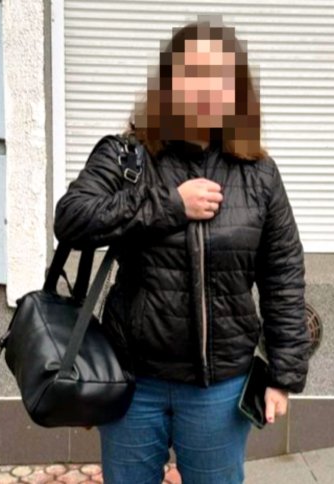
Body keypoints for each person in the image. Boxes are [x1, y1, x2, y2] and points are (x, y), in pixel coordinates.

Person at [53, 15, 311, 484]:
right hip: (132, 381)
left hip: (219, 388)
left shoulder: (258, 174)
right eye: (191, 73)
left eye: (219, 77)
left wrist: (284, 374)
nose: (205, 89)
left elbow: (283, 274)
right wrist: (170, 205)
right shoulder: (128, 156)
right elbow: (71, 218)